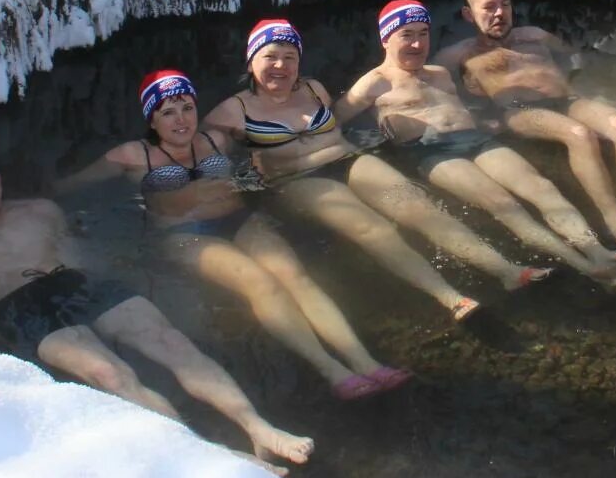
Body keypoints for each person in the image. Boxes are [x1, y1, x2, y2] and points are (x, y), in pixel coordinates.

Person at [0, 141, 314, 472]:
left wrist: (118, 277)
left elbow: (77, 254)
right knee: (110, 373)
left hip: (77, 284)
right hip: (19, 308)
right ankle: (211, 455)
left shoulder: (38, 210)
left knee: (170, 341)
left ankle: (259, 428)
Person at [58, 68, 412, 400]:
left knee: (294, 275)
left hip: (239, 220)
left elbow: (257, 152)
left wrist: (259, 170)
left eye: (187, 107)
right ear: (152, 118)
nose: (180, 119)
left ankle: (365, 362)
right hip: (186, 234)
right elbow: (71, 186)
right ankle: (332, 370)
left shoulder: (216, 140)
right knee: (259, 282)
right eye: (167, 112)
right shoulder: (131, 156)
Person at [204, 19, 551, 321]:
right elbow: (204, 157)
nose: (280, 65)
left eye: (289, 57)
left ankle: (506, 270)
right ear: (251, 61)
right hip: (300, 179)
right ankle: (450, 298)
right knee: (374, 228)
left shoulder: (313, 88)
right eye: (270, 56)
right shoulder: (231, 111)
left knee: (420, 207)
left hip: (349, 159)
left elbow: (349, 115)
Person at [336, 0, 616, 290]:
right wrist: (376, 136)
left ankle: (598, 251)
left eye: (423, 34)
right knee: (502, 202)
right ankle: (585, 266)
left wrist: (490, 118)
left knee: (542, 188)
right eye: (407, 35)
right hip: (432, 150)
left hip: (476, 139)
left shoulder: (440, 72)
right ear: (386, 39)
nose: (417, 44)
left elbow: (466, 103)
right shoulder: (374, 83)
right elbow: (335, 120)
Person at [435, 0, 616, 246]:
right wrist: (477, 118)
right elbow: (433, 89)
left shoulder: (535, 36)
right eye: (489, 7)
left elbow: (576, 58)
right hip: (518, 110)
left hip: (568, 101)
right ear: (468, 13)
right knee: (578, 134)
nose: (500, 13)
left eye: (506, 4)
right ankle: (614, 218)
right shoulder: (458, 54)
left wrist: (590, 85)